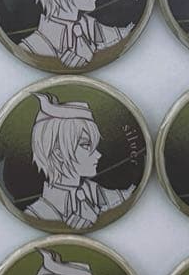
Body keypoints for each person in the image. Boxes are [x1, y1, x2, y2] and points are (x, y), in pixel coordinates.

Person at [24, 93, 134, 228]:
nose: (98, 155)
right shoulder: (36, 215)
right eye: (86, 145)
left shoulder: (100, 195)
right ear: (58, 153)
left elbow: (129, 195)